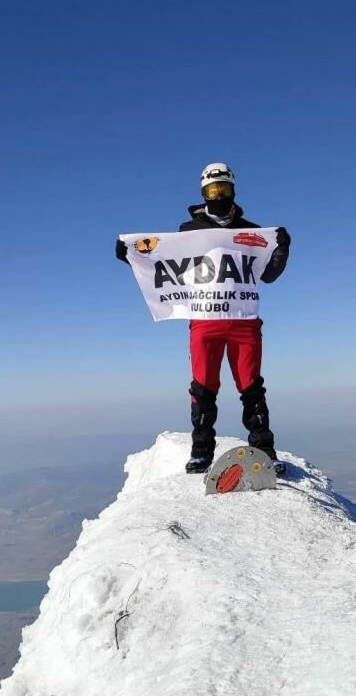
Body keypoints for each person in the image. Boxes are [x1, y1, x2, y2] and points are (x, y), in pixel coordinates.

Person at [116, 162, 291, 476]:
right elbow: (164, 266)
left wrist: (281, 249)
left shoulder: (251, 231)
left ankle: (265, 451)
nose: (219, 195)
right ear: (204, 193)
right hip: (205, 320)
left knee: (252, 387)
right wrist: (132, 255)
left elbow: (269, 276)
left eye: (224, 188)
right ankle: (201, 453)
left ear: (233, 190)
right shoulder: (187, 232)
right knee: (203, 387)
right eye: (213, 190)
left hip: (243, 320)